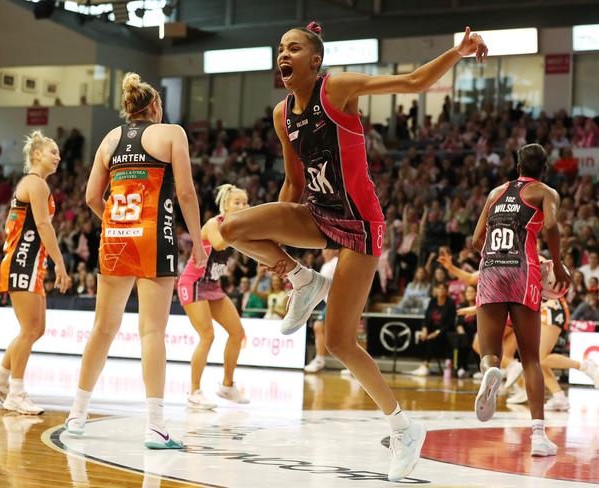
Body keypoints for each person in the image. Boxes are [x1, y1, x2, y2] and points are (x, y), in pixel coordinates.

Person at [219, 21, 487, 481]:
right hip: (317, 215)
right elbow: (294, 182)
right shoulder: (283, 114)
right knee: (233, 228)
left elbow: (412, 82)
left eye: (294, 47)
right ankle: (303, 280)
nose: (284, 53)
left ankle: (403, 427)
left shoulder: (337, 89)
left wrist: (456, 52)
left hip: (361, 226)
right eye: (281, 48)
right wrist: (277, 253)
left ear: (314, 60)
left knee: (341, 341)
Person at [64, 73, 206, 449]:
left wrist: (114, 223)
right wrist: (198, 242)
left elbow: (92, 197)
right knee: (152, 332)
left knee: (102, 329)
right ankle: (155, 427)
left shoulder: (109, 140)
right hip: (153, 236)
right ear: (155, 106)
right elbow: (187, 194)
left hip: (114, 237)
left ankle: (77, 414)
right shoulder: (172, 132)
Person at [472, 143, 570, 457]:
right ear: (544, 168)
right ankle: (539, 436)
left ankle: (490, 371)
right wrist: (555, 262)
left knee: (490, 349)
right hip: (522, 270)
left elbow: (476, 241)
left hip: (490, 268)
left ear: (517, 167)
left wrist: (497, 258)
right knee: (530, 357)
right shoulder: (546, 192)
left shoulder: (495, 193)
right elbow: (552, 226)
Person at [0, 131, 70, 415]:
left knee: (35, 329)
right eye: (52, 151)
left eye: (58, 152)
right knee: (30, 329)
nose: (58, 156)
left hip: (27, 262)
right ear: (36, 155)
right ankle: (15, 393)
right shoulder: (35, 184)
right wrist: (60, 263)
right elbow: (44, 227)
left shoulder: (32, 184)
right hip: (24, 262)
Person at [177, 184, 250, 410]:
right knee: (207, 336)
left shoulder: (239, 226)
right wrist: (244, 232)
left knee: (237, 334)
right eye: (236, 202)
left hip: (212, 285)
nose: (242, 206)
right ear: (225, 205)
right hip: (193, 283)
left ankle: (227, 386)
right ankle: (194, 392)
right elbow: (219, 243)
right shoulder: (213, 224)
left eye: (245, 202)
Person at [304, 249, 339, 373]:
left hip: (337, 301)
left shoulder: (336, 262)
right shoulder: (325, 265)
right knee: (320, 327)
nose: (325, 252)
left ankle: (319, 360)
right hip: (328, 303)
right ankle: (320, 360)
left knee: (318, 326)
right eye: (324, 251)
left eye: (328, 250)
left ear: (334, 251)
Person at [412, 282, 456, 376]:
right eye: (438, 288)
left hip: (445, 333)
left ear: (446, 291)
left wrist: (436, 333)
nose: (440, 290)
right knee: (421, 338)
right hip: (431, 331)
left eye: (443, 288)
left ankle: (425, 365)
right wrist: (424, 329)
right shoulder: (432, 301)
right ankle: (423, 364)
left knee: (431, 340)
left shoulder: (450, 304)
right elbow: (427, 317)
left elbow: (449, 324)